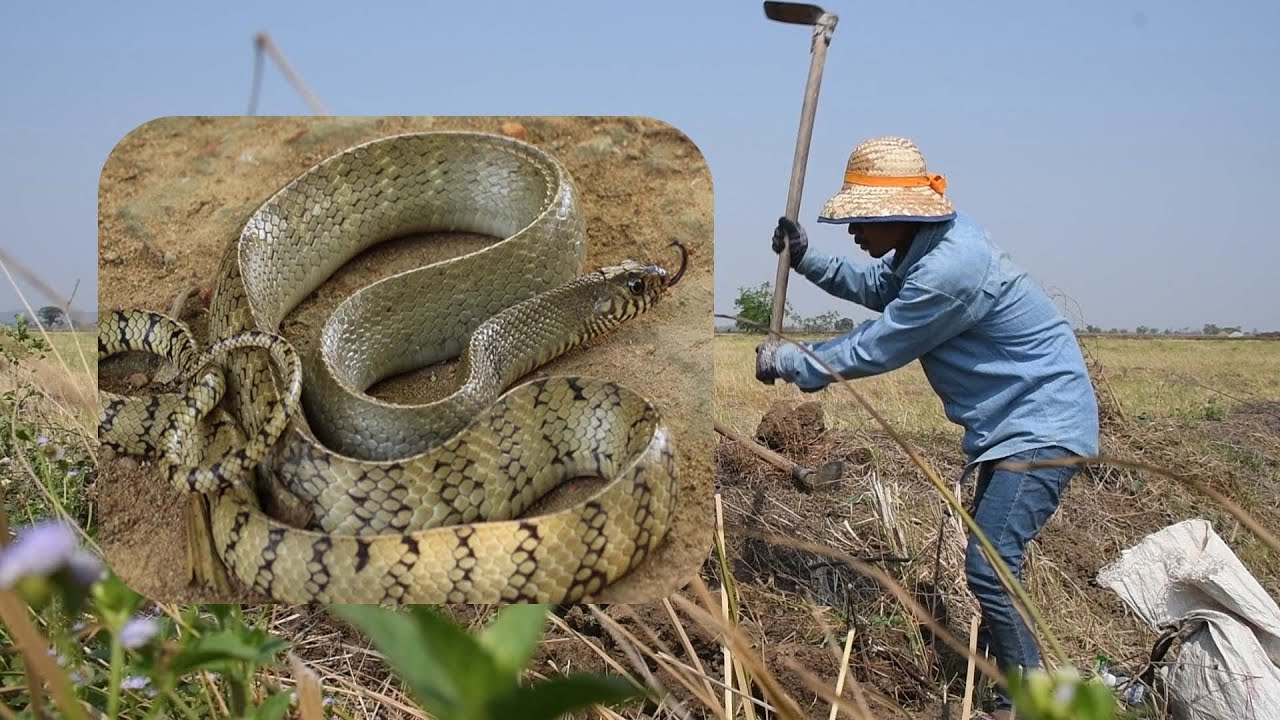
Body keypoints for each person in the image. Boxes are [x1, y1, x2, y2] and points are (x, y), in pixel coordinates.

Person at [754, 136, 1100, 718]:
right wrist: (807, 257)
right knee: (997, 565)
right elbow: (876, 289)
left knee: (990, 567)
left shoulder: (951, 269)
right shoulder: (930, 249)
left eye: (862, 222)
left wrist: (790, 361)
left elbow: (882, 344)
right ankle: (1003, 695)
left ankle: (1038, 703)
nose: (855, 233)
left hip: (1041, 424)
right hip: (1010, 428)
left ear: (899, 215)